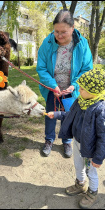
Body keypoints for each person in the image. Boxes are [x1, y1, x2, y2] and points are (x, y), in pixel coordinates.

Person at [36, 9, 93, 157]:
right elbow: (41, 68)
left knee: (68, 116)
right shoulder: (47, 43)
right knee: (50, 115)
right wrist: (52, 85)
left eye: (64, 32)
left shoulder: (82, 44)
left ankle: (67, 141)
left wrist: (74, 85)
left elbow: (86, 69)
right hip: (52, 89)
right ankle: (49, 140)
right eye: (56, 31)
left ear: (73, 28)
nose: (59, 36)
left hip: (71, 90)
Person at [46, 69, 105, 209]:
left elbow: (103, 137)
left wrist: (98, 158)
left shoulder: (100, 110)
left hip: (90, 149)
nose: (80, 90)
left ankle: (93, 192)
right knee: (78, 166)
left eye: (83, 88)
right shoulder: (81, 100)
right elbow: (70, 115)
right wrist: (56, 114)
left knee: (91, 171)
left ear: (94, 91)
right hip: (78, 142)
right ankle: (80, 184)